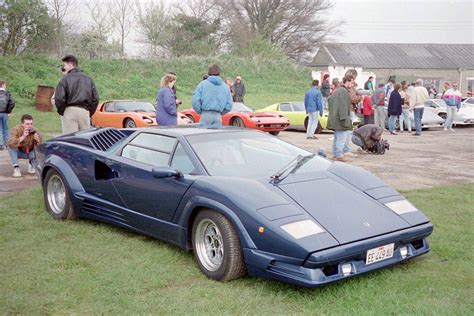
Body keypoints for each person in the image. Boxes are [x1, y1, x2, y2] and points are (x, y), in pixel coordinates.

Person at [55, 55, 99, 134]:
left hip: (70, 110)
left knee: (70, 139)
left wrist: (62, 111)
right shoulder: (88, 79)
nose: (63, 67)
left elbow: (59, 98)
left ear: (70, 65)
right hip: (84, 111)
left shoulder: (65, 79)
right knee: (85, 139)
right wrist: (89, 112)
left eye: (64, 65)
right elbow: (95, 98)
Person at [327, 75, 354, 162]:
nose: (353, 85)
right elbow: (343, 106)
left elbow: (329, 100)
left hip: (335, 118)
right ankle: (339, 155)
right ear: (348, 82)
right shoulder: (343, 91)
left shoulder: (338, 90)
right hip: (341, 119)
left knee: (337, 137)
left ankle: (336, 154)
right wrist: (345, 118)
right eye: (352, 83)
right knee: (341, 138)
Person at [0, 80, 15, 150]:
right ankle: (7, 144)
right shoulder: (7, 93)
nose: (5, 86)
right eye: (5, 85)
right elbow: (12, 102)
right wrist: (8, 111)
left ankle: (1, 145)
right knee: (5, 129)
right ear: (2, 85)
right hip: (5, 113)